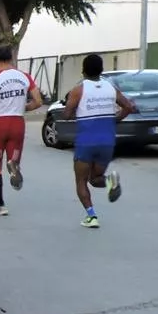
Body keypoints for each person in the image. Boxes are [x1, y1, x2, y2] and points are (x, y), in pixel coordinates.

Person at [63, 54, 134, 228]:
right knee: (95, 179)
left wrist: (75, 111)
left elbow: (67, 114)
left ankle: (92, 216)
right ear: (101, 70)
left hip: (86, 141)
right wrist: (115, 119)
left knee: (81, 181)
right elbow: (128, 107)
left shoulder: (79, 90)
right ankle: (110, 181)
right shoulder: (111, 88)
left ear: (83, 71)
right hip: (107, 141)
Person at [0, 46, 43, 215]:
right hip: (17, 122)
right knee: (13, 159)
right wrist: (22, 107)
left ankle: (1, 204)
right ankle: (14, 166)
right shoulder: (25, 77)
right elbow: (38, 101)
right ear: (11, 57)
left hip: (0, 123)